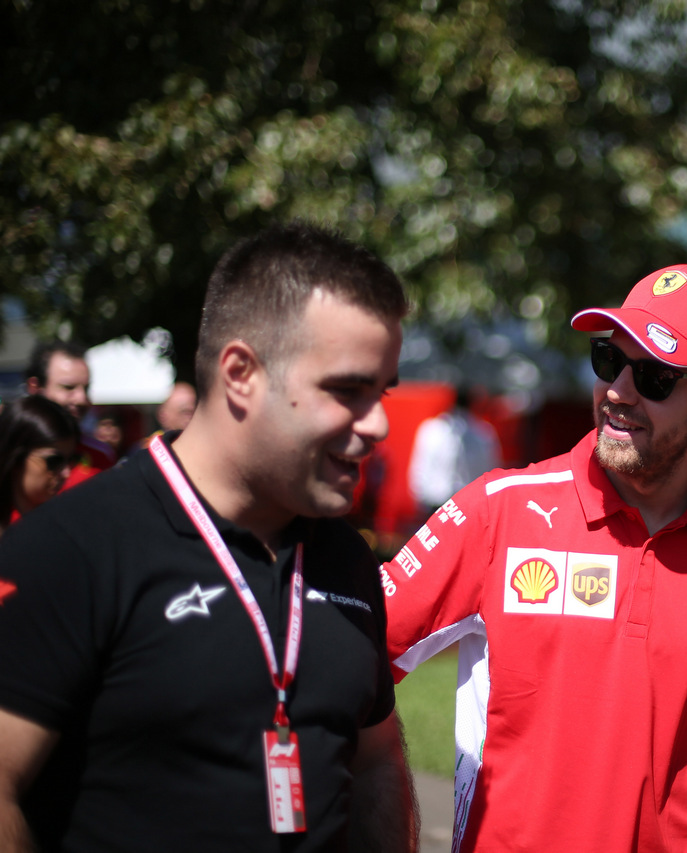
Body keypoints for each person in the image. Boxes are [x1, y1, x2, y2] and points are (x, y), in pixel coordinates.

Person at [0, 223, 418, 852]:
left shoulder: (346, 559)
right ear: (241, 373)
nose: (380, 422)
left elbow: (376, 759)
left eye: (382, 391)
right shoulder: (72, 547)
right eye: (348, 390)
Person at [383, 264, 687, 852]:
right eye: (610, 360)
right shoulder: (498, 511)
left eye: (655, 376)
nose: (619, 391)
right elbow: (349, 662)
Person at [23, 340, 115, 489]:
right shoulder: (8, 451)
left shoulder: (101, 456)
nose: (81, 399)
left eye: (86, 388)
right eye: (68, 387)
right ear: (35, 387)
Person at [406, 383, 500, 515]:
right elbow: (490, 470)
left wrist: (420, 496)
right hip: (449, 501)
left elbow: (420, 467)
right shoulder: (483, 432)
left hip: (451, 501)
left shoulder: (481, 432)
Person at [0, 396, 81, 536]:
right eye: (54, 461)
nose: (66, 473)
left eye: (72, 460)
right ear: (15, 458)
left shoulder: (71, 524)